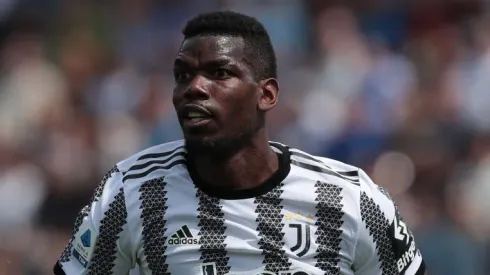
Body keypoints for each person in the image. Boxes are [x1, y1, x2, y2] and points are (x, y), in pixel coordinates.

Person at [53, 11, 426, 275]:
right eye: (182, 75)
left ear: (266, 95)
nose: (194, 88)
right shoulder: (132, 189)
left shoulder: (350, 197)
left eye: (220, 73)